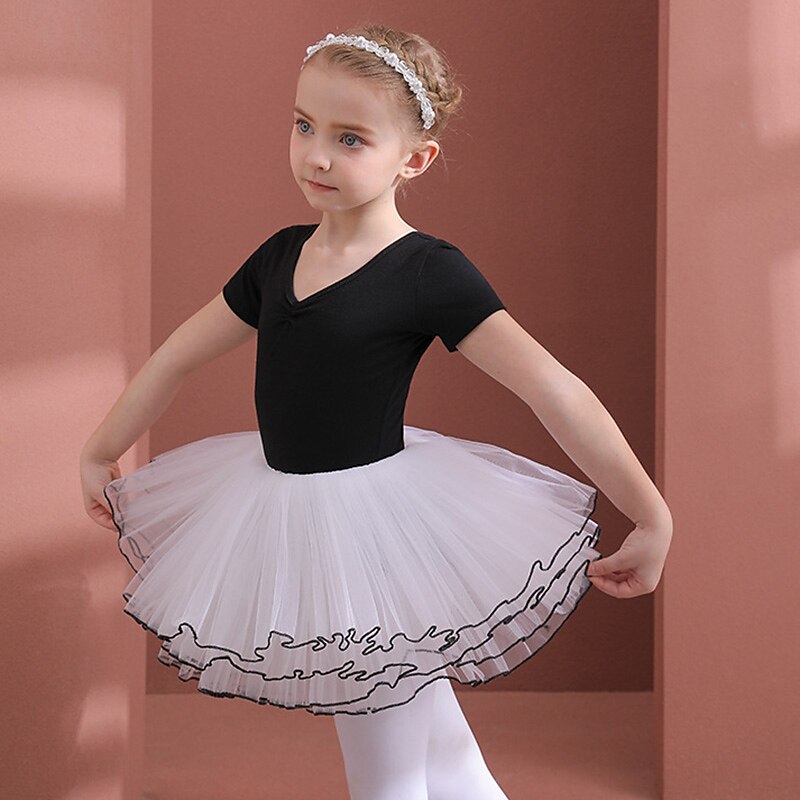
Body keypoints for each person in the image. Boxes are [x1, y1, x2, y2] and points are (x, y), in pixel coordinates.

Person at [80, 24, 673, 800]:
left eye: (350, 138)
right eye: (304, 126)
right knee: (444, 755)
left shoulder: (428, 272)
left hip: (374, 538)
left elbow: (554, 390)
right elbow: (175, 357)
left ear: (413, 159)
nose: (316, 156)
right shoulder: (278, 258)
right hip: (290, 513)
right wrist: (102, 448)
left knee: (387, 772)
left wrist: (651, 514)